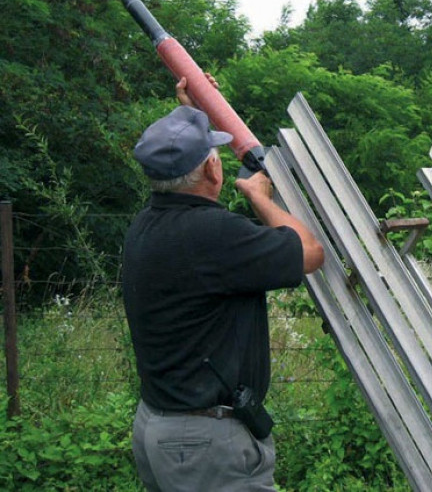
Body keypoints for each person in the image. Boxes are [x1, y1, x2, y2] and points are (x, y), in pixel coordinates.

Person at [122, 75, 324, 491]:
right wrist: (261, 198)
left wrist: (192, 111)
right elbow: (310, 253)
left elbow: (182, 163)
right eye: (213, 154)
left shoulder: (146, 224)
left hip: (159, 428)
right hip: (205, 445)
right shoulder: (213, 235)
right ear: (213, 167)